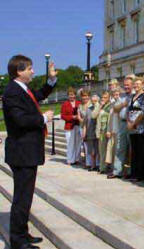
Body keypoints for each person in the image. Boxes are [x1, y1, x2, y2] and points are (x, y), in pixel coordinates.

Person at [3, 55, 57, 249]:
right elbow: (20, 120)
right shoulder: (12, 92)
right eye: (30, 68)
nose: (33, 71)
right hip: (22, 152)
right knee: (22, 198)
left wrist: (51, 80)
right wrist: (43, 118)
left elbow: (40, 94)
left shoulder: (22, 89)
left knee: (25, 196)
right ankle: (18, 241)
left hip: (27, 151)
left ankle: (22, 233)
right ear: (19, 70)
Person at [127, 77, 144, 181]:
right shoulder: (132, 96)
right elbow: (128, 110)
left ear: (143, 85)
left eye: (138, 84)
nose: (136, 86)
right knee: (134, 150)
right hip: (131, 126)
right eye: (135, 84)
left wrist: (134, 123)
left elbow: (143, 111)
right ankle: (133, 172)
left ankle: (140, 174)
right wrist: (128, 122)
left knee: (140, 150)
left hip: (139, 125)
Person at [61, 87, 81, 166]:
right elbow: (62, 116)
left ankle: (76, 159)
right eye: (70, 95)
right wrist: (72, 117)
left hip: (78, 125)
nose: (71, 96)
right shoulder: (65, 104)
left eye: (73, 95)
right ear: (68, 96)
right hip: (69, 126)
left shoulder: (79, 103)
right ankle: (70, 159)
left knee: (78, 143)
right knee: (70, 143)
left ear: (75, 95)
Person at [82, 94, 100, 172]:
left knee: (98, 150)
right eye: (92, 101)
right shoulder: (88, 109)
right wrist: (84, 132)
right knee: (91, 150)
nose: (94, 102)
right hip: (90, 132)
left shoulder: (100, 108)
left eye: (95, 101)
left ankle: (99, 164)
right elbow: (85, 122)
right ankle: (93, 165)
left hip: (98, 132)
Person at [96, 91, 112, 174]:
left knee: (108, 150)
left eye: (105, 97)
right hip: (101, 130)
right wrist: (100, 107)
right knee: (101, 150)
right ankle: (102, 167)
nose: (103, 99)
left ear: (109, 98)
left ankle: (106, 167)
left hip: (108, 130)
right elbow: (94, 116)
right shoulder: (100, 106)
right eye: (102, 97)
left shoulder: (110, 106)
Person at [77, 90, 92, 168]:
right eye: (83, 96)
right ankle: (87, 162)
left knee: (90, 145)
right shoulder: (80, 106)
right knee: (84, 145)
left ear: (89, 96)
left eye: (86, 96)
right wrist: (82, 120)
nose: (85, 97)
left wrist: (85, 121)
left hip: (90, 127)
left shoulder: (91, 104)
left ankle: (91, 162)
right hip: (82, 126)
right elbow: (78, 116)